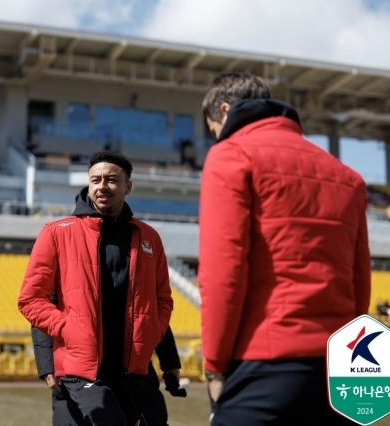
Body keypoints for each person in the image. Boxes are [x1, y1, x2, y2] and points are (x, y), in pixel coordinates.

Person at [199, 72, 370, 426]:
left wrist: (215, 367)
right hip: (336, 368)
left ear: (226, 111)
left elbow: (222, 274)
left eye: (213, 128)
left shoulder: (231, 155)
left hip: (264, 361)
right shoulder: (347, 176)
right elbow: (359, 282)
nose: (216, 138)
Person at [18, 150, 173, 426]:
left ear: (128, 186)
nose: (102, 186)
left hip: (131, 367)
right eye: (95, 180)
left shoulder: (149, 237)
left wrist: (154, 331)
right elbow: (32, 299)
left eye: (111, 180)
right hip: (81, 364)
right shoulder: (56, 232)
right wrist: (68, 329)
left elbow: (162, 299)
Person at [31, 299, 184, 426]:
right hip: (77, 363)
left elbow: (149, 309)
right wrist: (47, 364)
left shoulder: (139, 262)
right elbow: (44, 303)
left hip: (133, 363)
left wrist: (170, 361)